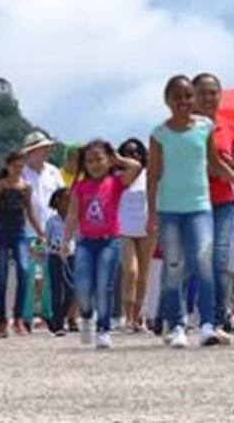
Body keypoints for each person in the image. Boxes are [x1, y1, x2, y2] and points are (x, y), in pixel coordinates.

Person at [149, 75, 234, 349]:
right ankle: (176, 325)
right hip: (170, 208)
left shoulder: (205, 128)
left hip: (201, 206)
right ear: (167, 101)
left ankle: (208, 324)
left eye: (188, 96)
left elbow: (215, 165)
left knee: (205, 263)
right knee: (175, 266)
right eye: (177, 97)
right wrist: (151, 212)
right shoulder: (159, 134)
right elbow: (153, 175)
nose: (184, 102)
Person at [65, 140, 143, 350]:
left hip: (110, 241)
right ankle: (87, 318)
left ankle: (103, 329)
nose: (95, 164)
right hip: (85, 243)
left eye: (99, 159)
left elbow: (136, 167)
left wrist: (118, 158)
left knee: (104, 286)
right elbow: (72, 215)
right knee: (82, 285)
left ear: (109, 160)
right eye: (89, 160)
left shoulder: (117, 182)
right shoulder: (80, 186)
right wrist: (66, 241)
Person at [193, 74, 234, 333]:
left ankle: (217, 315)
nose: (208, 98)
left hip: (224, 201)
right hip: (194, 202)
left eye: (213, 92)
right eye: (203, 93)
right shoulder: (185, 128)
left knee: (221, 259)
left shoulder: (229, 126)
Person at [0, 151, 45, 337]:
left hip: (19, 233)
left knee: (24, 270)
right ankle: (0, 321)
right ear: (8, 166)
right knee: (1, 277)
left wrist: (40, 233)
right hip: (2, 232)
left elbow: (29, 212)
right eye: (15, 166)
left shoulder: (25, 187)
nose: (18, 170)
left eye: (21, 167)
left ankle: (18, 318)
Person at [19, 131, 64, 327]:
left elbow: (63, 198)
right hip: (31, 231)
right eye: (42, 148)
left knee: (50, 273)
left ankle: (49, 313)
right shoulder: (21, 173)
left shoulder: (54, 172)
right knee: (33, 273)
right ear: (32, 152)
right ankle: (28, 314)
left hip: (53, 231)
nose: (46, 151)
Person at [116, 137, 153, 333]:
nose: (134, 155)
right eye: (129, 152)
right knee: (131, 272)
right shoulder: (120, 176)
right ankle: (127, 316)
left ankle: (139, 317)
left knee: (144, 274)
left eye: (137, 152)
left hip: (147, 227)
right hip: (124, 228)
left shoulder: (150, 175)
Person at [45, 187, 74, 335]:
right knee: (56, 290)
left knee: (72, 290)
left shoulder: (75, 219)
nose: (69, 202)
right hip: (55, 257)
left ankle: (57, 317)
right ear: (58, 201)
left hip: (72, 257)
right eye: (66, 199)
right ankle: (58, 324)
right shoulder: (52, 221)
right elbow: (44, 240)